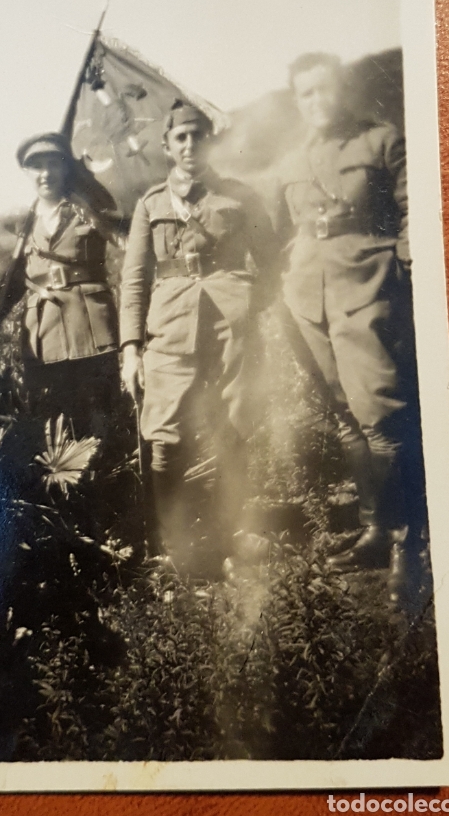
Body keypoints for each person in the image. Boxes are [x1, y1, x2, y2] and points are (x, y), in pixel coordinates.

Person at [275, 52, 422, 586]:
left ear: (344, 89)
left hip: (368, 285)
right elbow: (281, 231)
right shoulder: (293, 161)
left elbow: (415, 210)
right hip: (308, 296)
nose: (319, 102)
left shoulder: (382, 141)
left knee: (380, 413)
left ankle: (410, 541)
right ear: (297, 102)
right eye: (306, 94)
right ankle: (374, 529)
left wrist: (406, 264)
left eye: (326, 89)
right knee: (344, 414)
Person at [119, 99, 280, 578]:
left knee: (234, 425)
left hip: (231, 326)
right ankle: (175, 547)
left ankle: (232, 531)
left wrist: (249, 305)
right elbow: (134, 279)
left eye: (198, 136)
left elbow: (270, 259)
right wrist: (131, 349)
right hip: (168, 329)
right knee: (164, 436)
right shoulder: (150, 204)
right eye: (180, 138)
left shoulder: (239, 196)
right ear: (168, 147)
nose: (190, 145)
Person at [0, 132, 124, 446]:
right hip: (44, 337)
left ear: (66, 168)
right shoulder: (22, 226)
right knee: (52, 427)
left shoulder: (91, 208)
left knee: (101, 423)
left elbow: (129, 245)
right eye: (37, 167)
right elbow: (12, 284)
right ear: (27, 172)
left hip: (92, 333)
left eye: (53, 164)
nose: (45, 174)